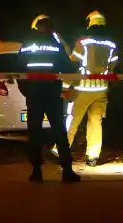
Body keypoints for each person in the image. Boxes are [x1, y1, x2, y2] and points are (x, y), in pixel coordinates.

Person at [19, 14, 81, 183]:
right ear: (50, 29)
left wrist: (26, 90)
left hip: (33, 94)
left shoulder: (27, 45)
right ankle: (67, 171)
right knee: (59, 132)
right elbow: (67, 67)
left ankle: (36, 171)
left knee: (35, 133)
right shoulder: (55, 45)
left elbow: (18, 70)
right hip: (52, 94)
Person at [54, 11, 118, 167]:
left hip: (81, 89)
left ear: (91, 24)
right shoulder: (111, 45)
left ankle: (61, 151)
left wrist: (65, 87)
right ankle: (93, 157)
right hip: (101, 90)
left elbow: (73, 66)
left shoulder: (82, 42)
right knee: (96, 122)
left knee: (72, 120)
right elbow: (112, 67)